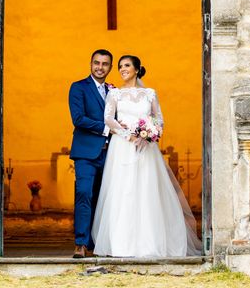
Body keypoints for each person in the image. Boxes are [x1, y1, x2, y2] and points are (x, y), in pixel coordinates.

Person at [91, 55, 202, 257]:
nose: (122, 69)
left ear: (136, 69)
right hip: (122, 147)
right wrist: (129, 136)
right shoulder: (114, 94)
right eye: (120, 66)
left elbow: (159, 119)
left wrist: (149, 136)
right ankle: (122, 245)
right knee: (123, 190)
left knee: (146, 190)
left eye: (126, 66)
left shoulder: (150, 93)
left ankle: (149, 244)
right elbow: (108, 119)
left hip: (146, 148)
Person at [68, 49, 114, 258]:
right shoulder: (78, 88)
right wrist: (106, 128)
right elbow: (78, 119)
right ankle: (80, 243)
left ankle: (97, 242)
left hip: (111, 153)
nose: (100, 67)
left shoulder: (113, 91)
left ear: (110, 67)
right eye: (96, 63)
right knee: (84, 194)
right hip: (86, 153)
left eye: (105, 64)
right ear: (90, 64)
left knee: (103, 198)